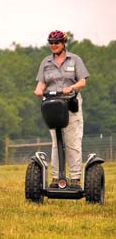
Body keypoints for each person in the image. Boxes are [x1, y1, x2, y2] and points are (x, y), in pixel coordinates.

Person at [33, 30, 89, 189]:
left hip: (70, 105)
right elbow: (41, 83)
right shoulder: (46, 62)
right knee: (56, 143)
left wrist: (70, 87)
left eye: (56, 42)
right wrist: (38, 90)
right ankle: (57, 178)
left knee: (72, 142)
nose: (53, 45)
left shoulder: (74, 60)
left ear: (63, 43)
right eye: (51, 43)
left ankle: (75, 178)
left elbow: (82, 82)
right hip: (53, 106)